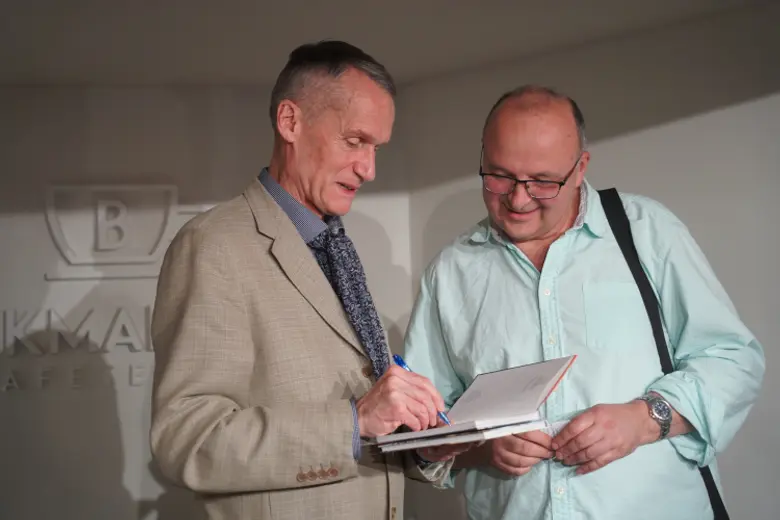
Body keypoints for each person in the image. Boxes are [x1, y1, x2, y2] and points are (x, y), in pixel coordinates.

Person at [402, 85, 765, 519]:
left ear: (580, 169)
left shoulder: (647, 231)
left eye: (542, 181)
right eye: (499, 175)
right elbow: (420, 435)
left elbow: (734, 360)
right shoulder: (449, 273)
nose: (518, 199)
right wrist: (482, 446)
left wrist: (643, 420)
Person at [149, 40, 449, 520]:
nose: (369, 169)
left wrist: (422, 447)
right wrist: (353, 423)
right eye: (354, 141)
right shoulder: (212, 246)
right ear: (290, 122)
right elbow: (187, 439)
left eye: (376, 148)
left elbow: (367, 427)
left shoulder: (336, 246)